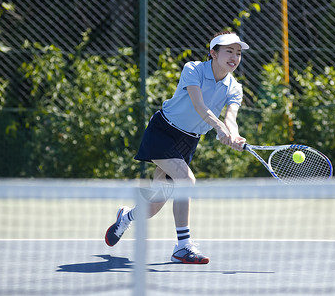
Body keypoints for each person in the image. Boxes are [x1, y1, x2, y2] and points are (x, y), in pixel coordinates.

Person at [105, 31, 249, 264]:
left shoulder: (235, 87)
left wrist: (234, 134)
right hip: (163, 131)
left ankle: (125, 217)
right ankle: (182, 247)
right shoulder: (193, 69)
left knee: (153, 205)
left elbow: (231, 118)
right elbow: (199, 104)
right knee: (186, 180)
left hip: (188, 141)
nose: (234, 57)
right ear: (213, 53)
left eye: (238, 53)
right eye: (229, 51)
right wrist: (219, 127)